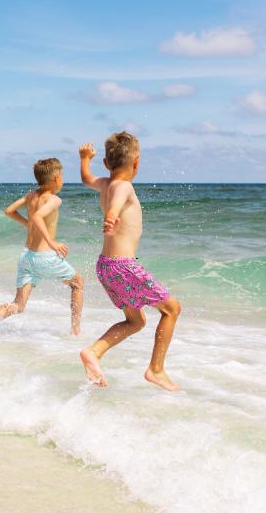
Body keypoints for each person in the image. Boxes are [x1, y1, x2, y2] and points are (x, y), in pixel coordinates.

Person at [77, 134, 182, 391]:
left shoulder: (104, 183)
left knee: (136, 321)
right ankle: (156, 370)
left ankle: (94, 351)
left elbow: (86, 179)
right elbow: (116, 204)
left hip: (106, 266)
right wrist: (111, 217)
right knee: (172, 309)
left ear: (106, 163)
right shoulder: (124, 186)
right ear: (136, 163)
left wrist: (84, 160)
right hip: (123, 266)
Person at [0, 158, 84, 336]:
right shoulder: (54, 199)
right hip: (44, 257)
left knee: (18, 305)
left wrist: (28, 224)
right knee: (78, 283)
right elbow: (39, 216)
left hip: (26, 257)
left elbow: (9, 211)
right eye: (62, 176)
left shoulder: (31, 195)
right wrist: (51, 242)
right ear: (56, 179)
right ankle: (75, 331)